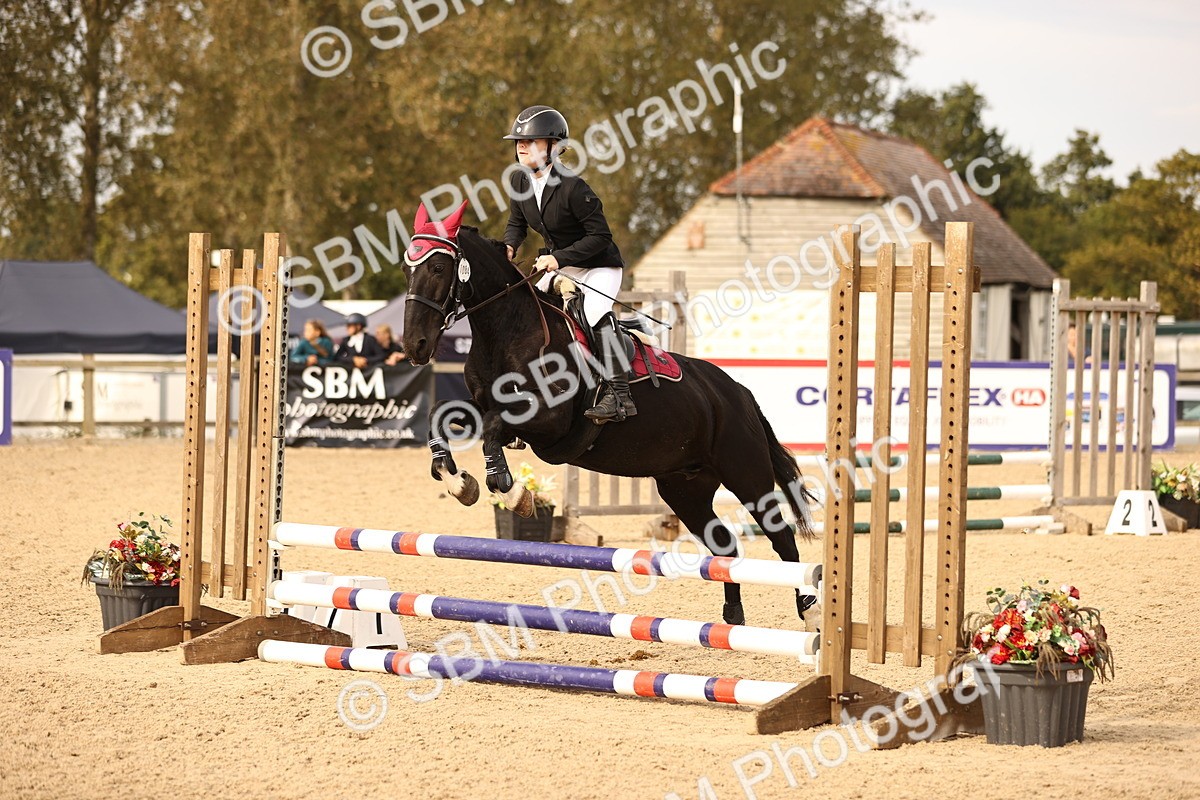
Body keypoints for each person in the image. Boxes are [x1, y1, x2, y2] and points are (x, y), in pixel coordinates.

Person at [502, 104, 634, 424]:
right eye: (519, 142)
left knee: (593, 311)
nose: (522, 147)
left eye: (531, 141)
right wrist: (509, 246)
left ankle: (619, 395)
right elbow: (517, 224)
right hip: (560, 265)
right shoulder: (519, 183)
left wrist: (558, 258)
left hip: (599, 265)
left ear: (553, 147)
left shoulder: (574, 187)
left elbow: (600, 237)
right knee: (531, 307)